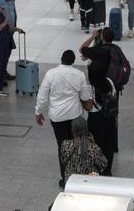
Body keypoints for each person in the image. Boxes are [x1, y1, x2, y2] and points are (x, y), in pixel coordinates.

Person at [35, 49, 93, 187]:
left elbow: (42, 95)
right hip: (74, 116)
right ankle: (78, 175)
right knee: (77, 144)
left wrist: (38, 111)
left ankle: (65, 178)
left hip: (57, 117)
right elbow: (85, 97)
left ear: (61, 59)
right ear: (73, 61)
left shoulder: (51, 74)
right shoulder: (79, 75)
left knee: (62, 146)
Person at [60, 117, 108, 183]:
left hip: (70, 182)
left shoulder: (65, 144)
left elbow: (63, 160)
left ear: (73, 130)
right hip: (88, 183)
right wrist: (94, 143)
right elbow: (103, 164)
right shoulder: (93, 148)